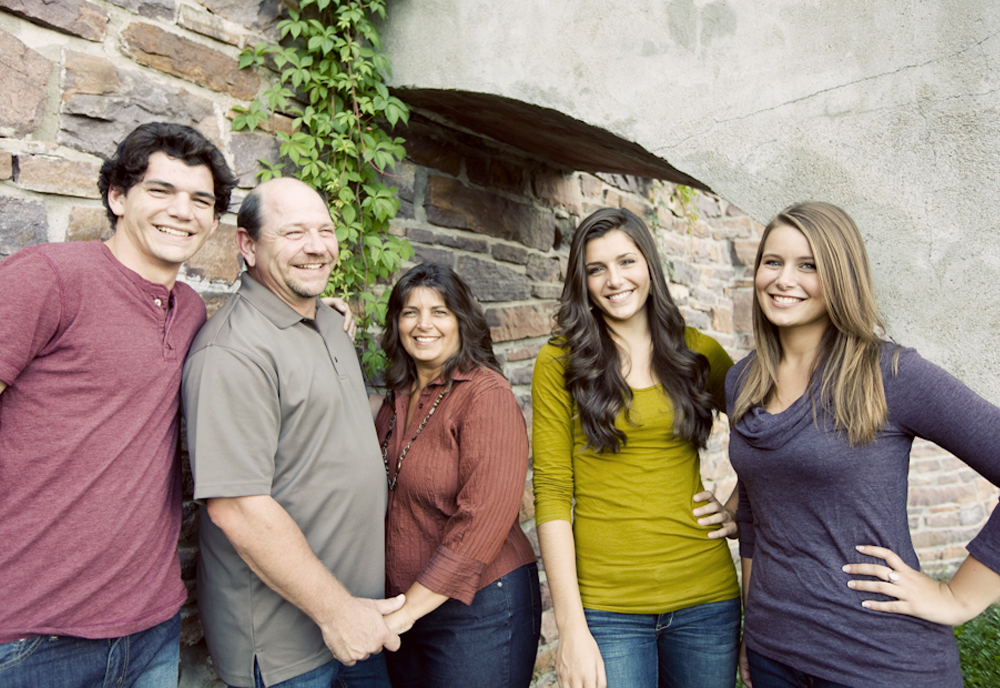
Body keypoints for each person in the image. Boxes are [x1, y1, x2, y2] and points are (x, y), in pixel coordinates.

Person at [0, 122, 236, 687]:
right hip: (32, 635)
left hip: (150, 628)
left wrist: (315, 308)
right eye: (161, 191)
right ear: (117, 196)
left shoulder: (191, 312)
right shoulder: (50, 277)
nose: (183, 211)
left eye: (200, 199)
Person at [727, 201, 1000, 688]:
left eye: (808, 265)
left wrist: (959, 597)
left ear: (841, 277)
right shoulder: (742, 381)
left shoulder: (892, 375)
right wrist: (754, 631)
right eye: (773, 261)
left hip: (880, 661)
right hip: (774, 655)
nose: (783, 279)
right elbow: (754, 513)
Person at [181, 177, 401, 688]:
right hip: (291, 649)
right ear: (248, 245)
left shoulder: (326, 321)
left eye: (325, 230)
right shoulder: (233, 352)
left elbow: (335, 419)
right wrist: (336, 612)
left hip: (362, 618)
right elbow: (236, 507)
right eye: (294, 232)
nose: (316, 246)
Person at [532, 207, 741, 688]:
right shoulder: (559, 362)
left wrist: (736, 507)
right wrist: (571, 627)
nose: (614, 280)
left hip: (705, 597)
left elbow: (772, 434)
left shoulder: (698, 352)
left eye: (626, 262)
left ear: (649, 264)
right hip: (608, 608)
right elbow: (552, 492)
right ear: (582, 281)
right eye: (596, 268)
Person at [374, 261, 541, 688]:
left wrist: (407, 611)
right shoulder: (396, 399)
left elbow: (482, 521)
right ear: (396, 323)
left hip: (479, 609)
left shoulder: (486, 395)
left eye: (439, 312)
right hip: (408, 605)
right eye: (410, 312)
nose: (423, 324)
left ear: (461, 322)